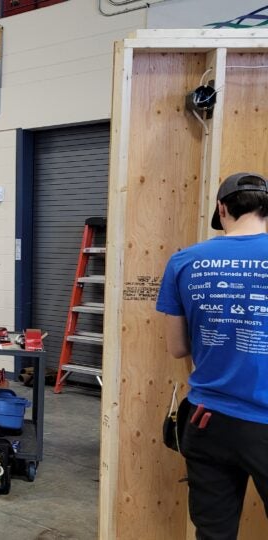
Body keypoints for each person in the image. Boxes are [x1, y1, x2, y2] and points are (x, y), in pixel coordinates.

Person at [156, 172, 268, 538]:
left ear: (222, 209)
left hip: (209, 420)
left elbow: (177, 348)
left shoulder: (184, 261)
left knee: (213, 534)